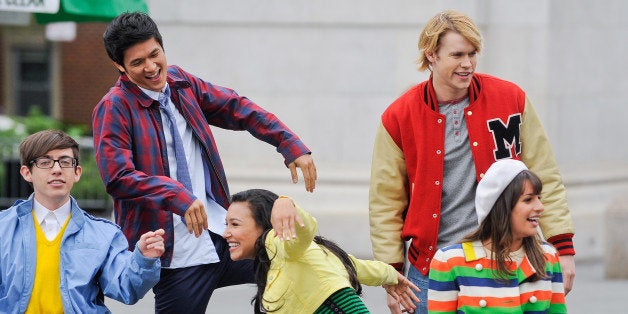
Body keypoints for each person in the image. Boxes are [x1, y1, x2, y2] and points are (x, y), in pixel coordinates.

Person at [92, 12, 317, 313]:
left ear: (161, 45)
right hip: (177, 253)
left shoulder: (182, 83)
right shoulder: (114, 107)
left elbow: (238, 108)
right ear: (120, 66)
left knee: (304, 262)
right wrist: (177, 195)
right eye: (137, 63)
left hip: (221, 234)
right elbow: (117, 176)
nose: (151, 67)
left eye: (154, 54)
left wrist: (289, 144)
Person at [368, 10, 575, 313]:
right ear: (431, 55)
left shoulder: (511, 98)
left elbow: (546, 174)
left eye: (473, 53)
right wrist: (391, 273)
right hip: (431, 271)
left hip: (504, 261)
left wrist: (563, 247)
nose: (467, 64)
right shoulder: (398, 117)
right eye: (457, 54)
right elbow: (386, 200)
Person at [0, 129, 165, 313]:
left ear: (77, 172)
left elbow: (127, 289)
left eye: (65, 162)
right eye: (45, 162)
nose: (56, 169)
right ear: (27, 173)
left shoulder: (103, 234)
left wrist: (143, 260)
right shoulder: (3, 228)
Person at [223, 189, 421, 314]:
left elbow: (305, 229)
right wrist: (390, 276)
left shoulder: (278, 244)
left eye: (235, 224)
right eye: (226, 224)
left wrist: (285, 203)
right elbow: (355, 266)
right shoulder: (306, 255)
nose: (226, 233)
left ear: (266, 224)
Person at [428, 159, 567, 313]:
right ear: (502, 208)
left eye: (539, 198)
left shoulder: (547, 256)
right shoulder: (449, 261)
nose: (540, 207)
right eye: (528, 200)